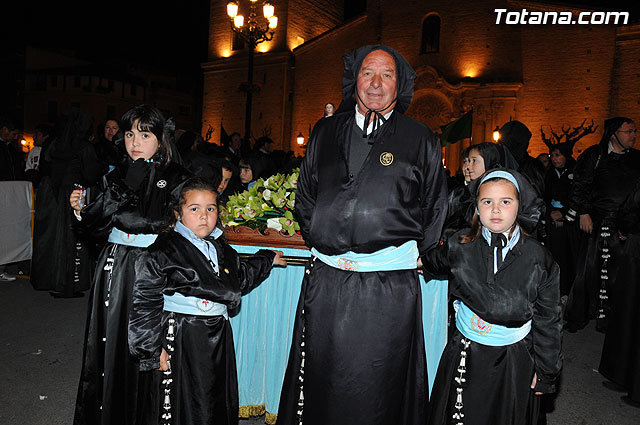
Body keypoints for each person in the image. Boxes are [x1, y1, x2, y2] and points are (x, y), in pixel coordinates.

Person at [276, 45, 448, 425]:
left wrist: (419, 253)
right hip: (327, 283)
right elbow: (305, 196)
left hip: (388, 286)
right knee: (321, 372)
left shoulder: (421, 138)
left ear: (398, 85)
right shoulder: (324, 130)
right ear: (353, 80)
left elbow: (436, 205)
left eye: (387, 75)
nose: (376, 83)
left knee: (381, 381)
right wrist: (325, 234)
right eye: (368, 72)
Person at [128, 176, 286, 425]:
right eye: (194, 209)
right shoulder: (163, 249)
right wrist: (150, 349)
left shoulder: (220, 249)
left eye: (210, 209)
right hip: (182, 334)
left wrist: (267, 258)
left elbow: (240, 278)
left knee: (212, 397)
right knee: (184, 398)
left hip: (217, 334)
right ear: (178, 213)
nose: (204, 216)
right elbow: (145, 301)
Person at [70, 104, 191, 425]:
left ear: (160, 138)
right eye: (129, 134)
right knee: (110, 347)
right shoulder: (118, 174)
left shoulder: (177, 177)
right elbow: (94, 227)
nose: (134, 142)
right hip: (115, 270)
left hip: (154, 271)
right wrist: (84, 210)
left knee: (151, 350)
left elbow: (182, 226)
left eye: (144, 134)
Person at [422, 169, 562, 425]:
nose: (496, 210)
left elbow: (549, 318)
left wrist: (546, 371)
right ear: (477, 207)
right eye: (487, 202)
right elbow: (428, 262)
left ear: (520, 206)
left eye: (505, 202)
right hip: (466, 353)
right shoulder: (459, 246)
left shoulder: (539, 258)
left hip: (515, 358)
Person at [564, 117, 640, 333]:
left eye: (635, 131)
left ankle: (614, 317)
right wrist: (583, 212)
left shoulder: (637, 158)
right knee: (590, 270)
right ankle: (583, 314)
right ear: (613, 134)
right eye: (628, 131)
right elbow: (580, 185)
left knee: (621, 273)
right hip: (598, 223)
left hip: (628, 224)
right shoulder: (594, 155)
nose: (633, 135)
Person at [31, 107, 102, 297]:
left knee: (50, 239)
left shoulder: (53, 144)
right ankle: (67, 284)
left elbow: (43, 167)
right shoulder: (83, 146)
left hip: (50, 194)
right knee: (71, 239)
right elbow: (91, 173)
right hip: (72, 195)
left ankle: (50, 280)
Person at [599, 178, 640, 407]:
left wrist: (624, 229)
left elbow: (630, 207)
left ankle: (626, 377)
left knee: (628, 311)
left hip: (636, 248)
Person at [543, 142, 578, 296]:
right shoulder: (549, 174)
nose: (555, 159)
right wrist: (551, 212)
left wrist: (563, 213)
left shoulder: (575, 172)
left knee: (568, 257)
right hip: (552, 221)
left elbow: (577, 196)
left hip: (569, 223)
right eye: (553, 156)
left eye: (558, 155)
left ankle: (568, 291)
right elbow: (544, 195)